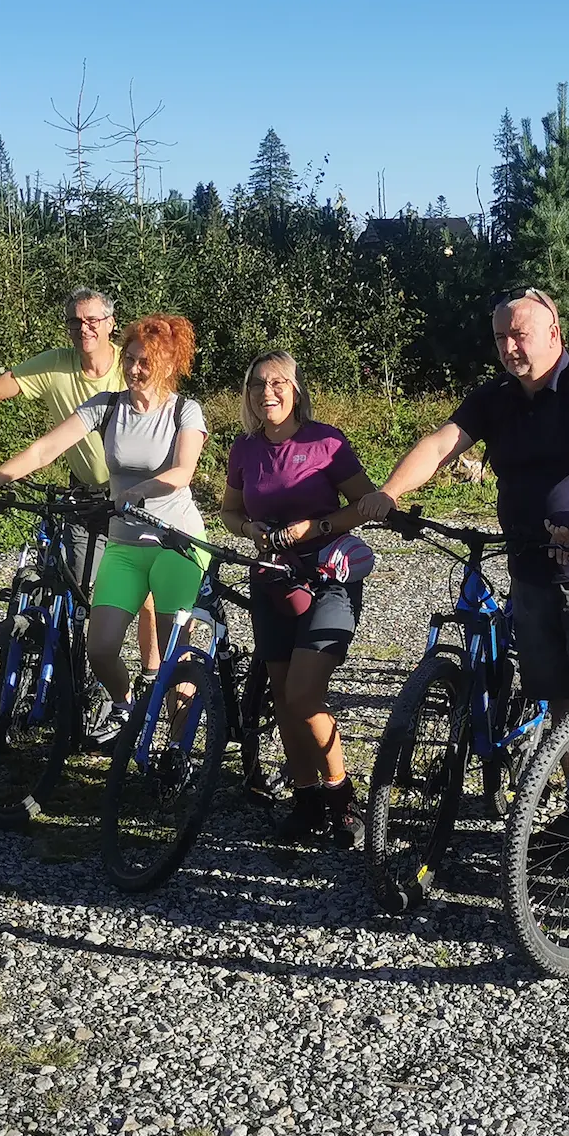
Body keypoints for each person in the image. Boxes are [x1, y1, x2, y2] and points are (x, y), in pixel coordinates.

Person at [360, 285, 569, 807]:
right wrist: (388, 492)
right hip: (531, 567)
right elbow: (443, 443)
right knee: (560, 699)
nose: (510, 346)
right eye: (500, 338)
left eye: (520, 334)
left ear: (553, 332)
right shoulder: (496, 397)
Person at [0, 315, 206, 743]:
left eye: (144, 362)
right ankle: (127, 707)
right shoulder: (107, 406)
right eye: (128, 359)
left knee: (173, 655)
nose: (132, 369)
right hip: (126, 544)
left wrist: (138, 492)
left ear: (168, 364)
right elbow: (45, 449)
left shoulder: (185, 411)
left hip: (175, 544)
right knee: (101, 648)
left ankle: (176, 750)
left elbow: (183, 472)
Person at [220, 351, 381, 845]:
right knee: (284, 698)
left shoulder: (326, 442)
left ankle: (344, 798)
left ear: (296, 389)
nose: (266, 392)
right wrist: (251, 528)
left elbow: (368, 503)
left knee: (304, 694)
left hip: (330, 577)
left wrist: (316, 527)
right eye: (256, 385)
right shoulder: (244, 449)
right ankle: (306, 798)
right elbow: (228, 511)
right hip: (272, 581)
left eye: (277, 383)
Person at [0, 288, 161, 680]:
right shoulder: (56, 365)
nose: (83, 328)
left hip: (133, 496)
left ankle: (150, 677)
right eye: (75, 321)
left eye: (93, 320)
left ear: (111, 324)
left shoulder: (130, 366)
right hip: (85, 493)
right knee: (80, 588)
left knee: (144, 596)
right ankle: (74, 677)